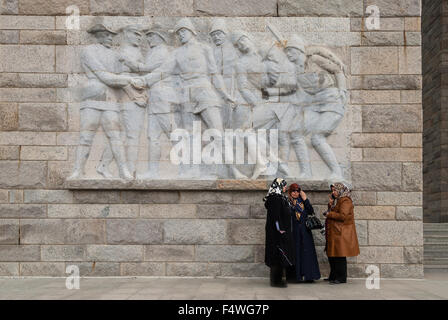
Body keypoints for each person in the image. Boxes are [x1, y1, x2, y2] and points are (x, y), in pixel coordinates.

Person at [69, 23, 135, 180]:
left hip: (111, 98)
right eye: (107, 35)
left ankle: (121, 170)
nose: (110, 38)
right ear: (98, 35)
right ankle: (78, 170)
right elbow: (104, 76)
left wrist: (127, 65)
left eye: (112, 35)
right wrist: (130, 79)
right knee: (86, 135)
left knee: (116, 135)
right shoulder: (89, 51)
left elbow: (122, 73)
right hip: (93, 95)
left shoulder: (114, 54)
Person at [323, 182, 360, 284]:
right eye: (333, 190)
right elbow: (334, 212)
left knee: (339, 255)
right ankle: (333, 276)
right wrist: (329, 206)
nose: (333, 192)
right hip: (335, 231)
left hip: (341, 232)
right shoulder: (337, 200)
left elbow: (343, 216)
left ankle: (341, 278)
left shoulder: (345, 201)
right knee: (332, 255)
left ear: (340, 190)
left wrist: (329, 214)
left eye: (335, 190)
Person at [286, 183, 321, 283]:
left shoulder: (303, 201)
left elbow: (310, 211)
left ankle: (309, 276)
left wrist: (305, 199)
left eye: (297, 191)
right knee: (296, 253)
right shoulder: (287, 202)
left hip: (305, 232)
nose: (295, 193)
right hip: (294, 232)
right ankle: (296, 276)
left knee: (307, 253)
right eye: (293, 191)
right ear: (290, 192)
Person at [264, 178, 295, 287]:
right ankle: (276, 281)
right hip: (277, 233)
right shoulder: (275, 199)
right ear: (279, 186)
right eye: (284, 185)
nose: (286, 187)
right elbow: (276, 217)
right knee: (277, 255)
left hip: (281, 231)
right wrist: (280, 229)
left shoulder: (280, 197)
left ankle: (279, 279)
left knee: (281, 255)